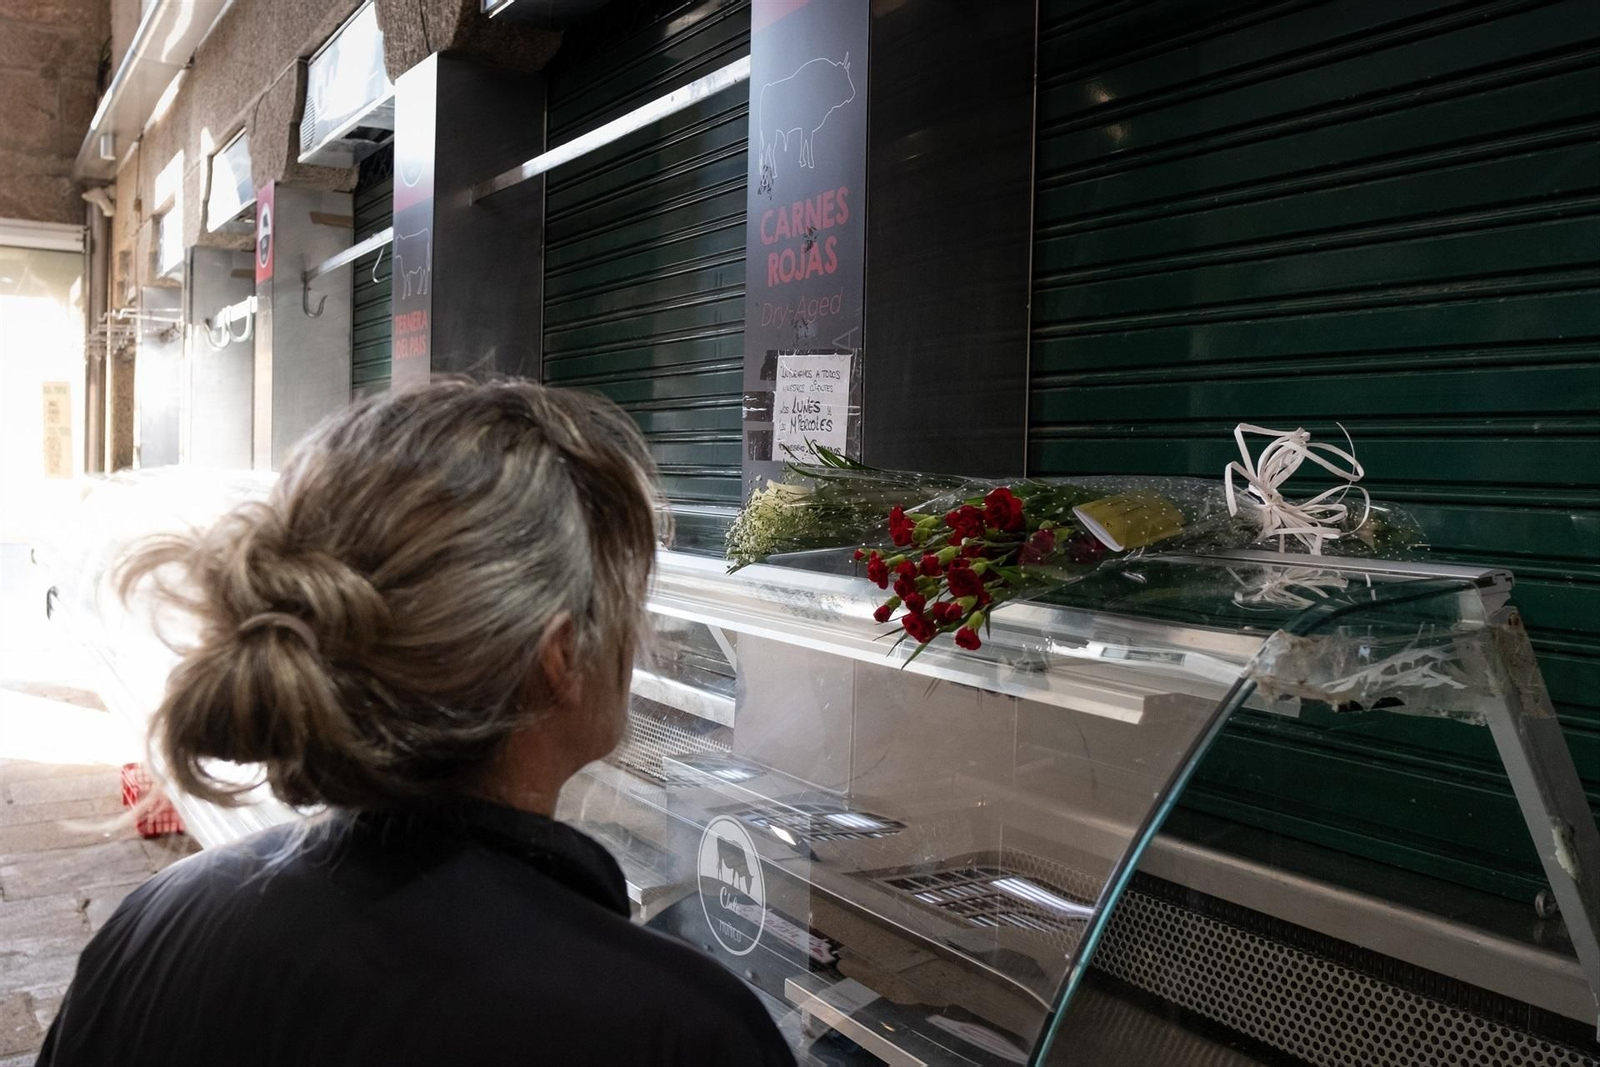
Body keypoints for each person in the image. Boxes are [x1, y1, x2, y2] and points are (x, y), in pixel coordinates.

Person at [37, 380, 797, 1067]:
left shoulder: (149, 930)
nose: (640, 636)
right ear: (560, 657)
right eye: (626, 598)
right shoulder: (683, 1031)